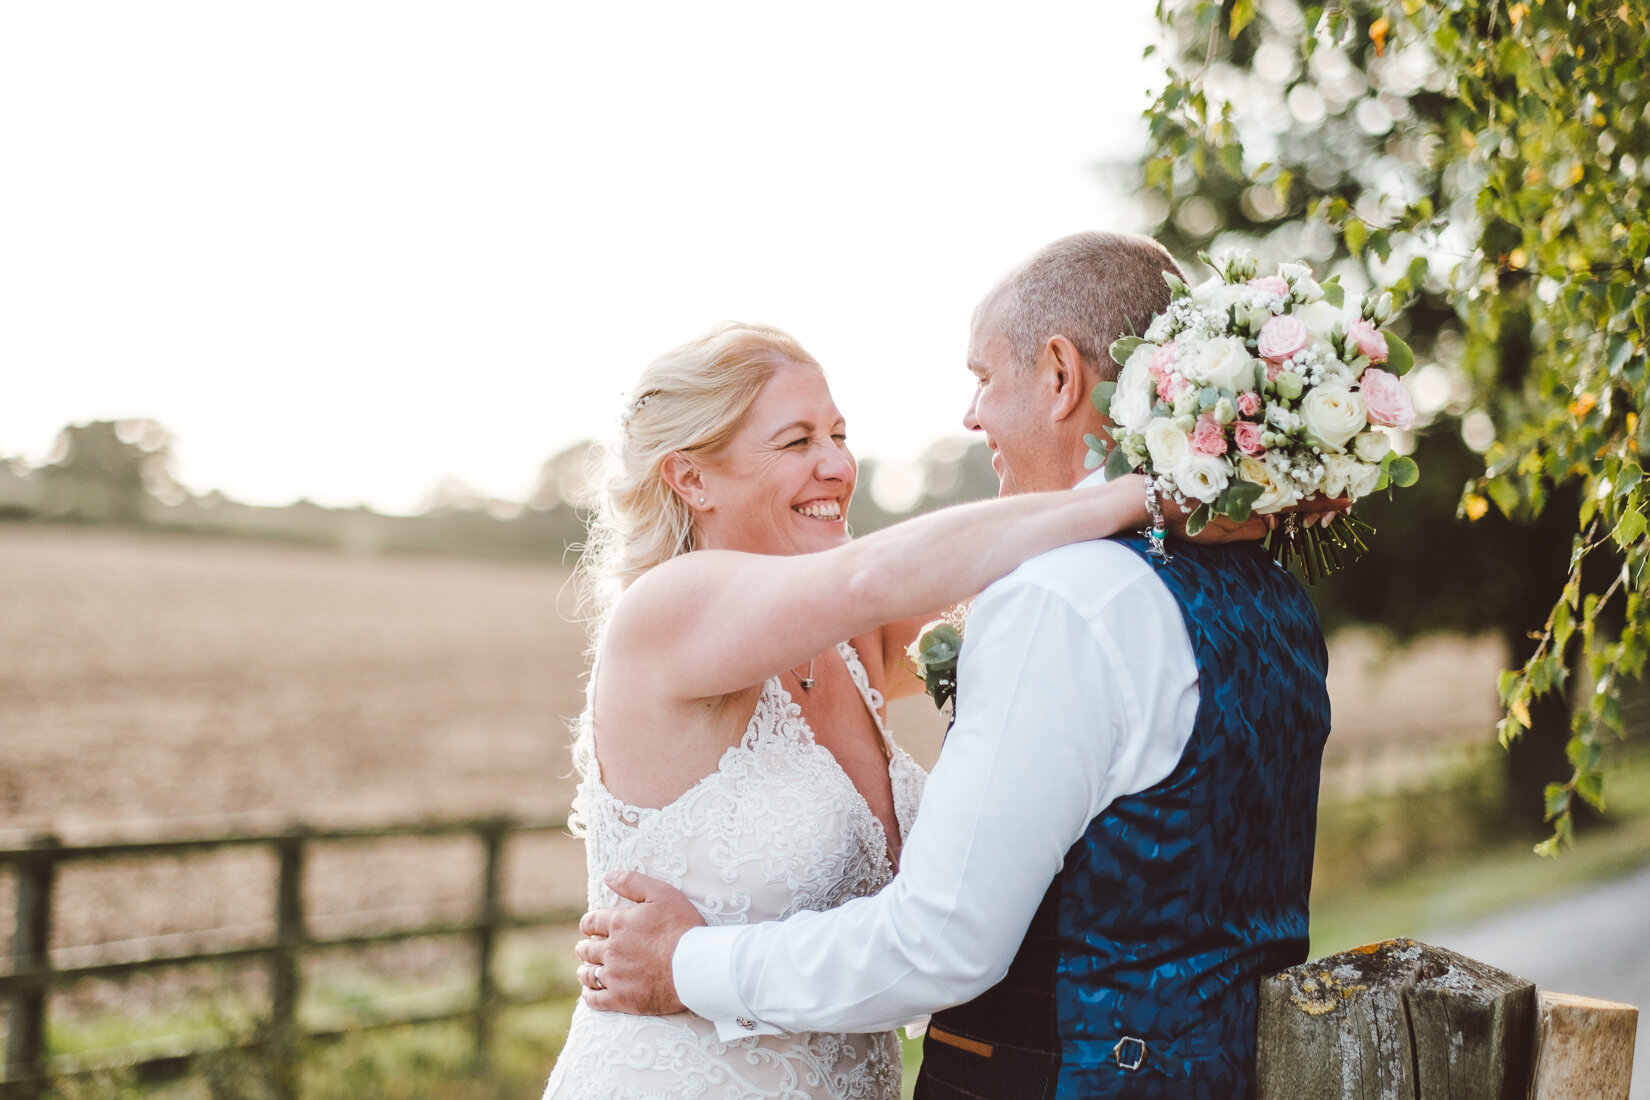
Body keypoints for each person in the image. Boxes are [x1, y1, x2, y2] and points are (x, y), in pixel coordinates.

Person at [576, 232, 1335, 1098]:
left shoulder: (854, 641)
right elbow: (880, 572)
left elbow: (1019, 570)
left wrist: (1244, 486)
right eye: (795, 442)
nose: (837, 464)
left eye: (839, 432)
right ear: (691, 479)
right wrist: (1151, 491)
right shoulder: (668, 613)